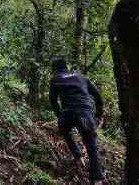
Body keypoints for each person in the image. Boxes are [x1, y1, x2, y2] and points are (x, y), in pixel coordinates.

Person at [49, 56, 105, 185]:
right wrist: (99, 115)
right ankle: (97, 180)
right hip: (85, 114)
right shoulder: (81, 76)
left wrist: (60, 116)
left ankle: (77, 155)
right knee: (91, 147)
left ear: (55, 69)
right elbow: (98, 96)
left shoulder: (55, 79)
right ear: (67, 66)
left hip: (68, 114)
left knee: (64, 131)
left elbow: (53, 101)